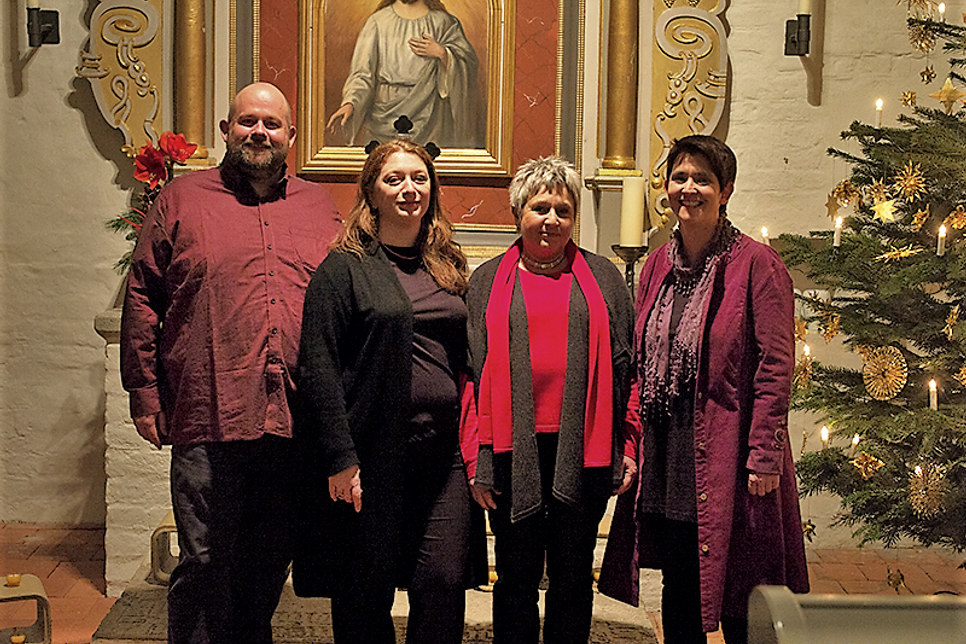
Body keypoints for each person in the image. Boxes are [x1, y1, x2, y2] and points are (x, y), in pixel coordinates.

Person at [120, 82, 342, 644]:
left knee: (268, 564)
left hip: (292, 420)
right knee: (205, 562)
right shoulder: (181, 200)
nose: (259, 132)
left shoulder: (319, 207)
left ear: (291, 135)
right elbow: (143, 296)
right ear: (226, 130)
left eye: (271, 123)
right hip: (209, 412)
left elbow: (344, 302)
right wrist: (145, 392)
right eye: (247, 121)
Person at [598, 135, 810, 644]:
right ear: (666, 187)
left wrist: (763, 453)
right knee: (679, 578)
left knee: (740, 583)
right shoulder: (656, 266)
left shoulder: (758, 264)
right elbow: (642, 362)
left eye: (702, 180)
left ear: (726, 190)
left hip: (730, 449)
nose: (688, 189)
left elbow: (776, 364)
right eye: (679, 177)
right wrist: (630, 444)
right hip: (670, 447)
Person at [293, 138, 485, 643]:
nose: (409, 189)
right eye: (394, 179)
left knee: (442, 583)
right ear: (371, 193)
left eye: (419, 178)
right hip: (371, 458)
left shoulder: (447, 264)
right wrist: (339, 457)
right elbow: (318, 365)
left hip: (442, 458)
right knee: (363, 592)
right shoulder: (343, 269)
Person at [461, 156, 640, 644]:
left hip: (584, 449)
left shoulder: (605, 279)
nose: (552, 220)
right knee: (515, 579)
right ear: (518, 212)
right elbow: (470, 377)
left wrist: (628, 444)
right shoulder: (486, 281)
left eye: (563, 209)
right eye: (540, 208)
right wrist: (476, 454)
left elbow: (630, 370)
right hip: (510, 449)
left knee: (573, 577)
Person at [326, 0, 483, 148]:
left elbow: (467, 64)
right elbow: (362, 73)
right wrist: (351, 102)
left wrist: (443, 53)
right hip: (384, 114)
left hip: (431, 116)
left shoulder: (443, 22)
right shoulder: (378, 22)